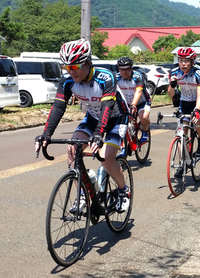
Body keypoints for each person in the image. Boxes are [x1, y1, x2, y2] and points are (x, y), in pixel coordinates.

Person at [35, 38, 131, 213]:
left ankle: (124, 190)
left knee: (107, 158)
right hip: (94, 117)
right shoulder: (67, 81)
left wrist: (98, 135)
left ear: (87, 62)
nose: (71, 71)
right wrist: (46, 134)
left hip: (116, 118)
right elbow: (58, 106)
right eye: (66, 67)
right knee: (72, 149)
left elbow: (107, 107)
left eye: (74, 66)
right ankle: (82, 191)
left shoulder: (105, 77)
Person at [168, 47, 200, 176]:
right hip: (184, 102)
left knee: (196, 120)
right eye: (181, 60)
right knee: (181, 133)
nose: (183, 63)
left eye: (186, 61)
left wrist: (197, 109)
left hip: (198, 100)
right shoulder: (175, 73)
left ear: (192, 62)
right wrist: (172, 85)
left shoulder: (198, 73)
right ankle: (181, 164)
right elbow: (171, 94)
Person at [115, 56, 151, 143]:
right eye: (121, 69)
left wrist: (134, 104)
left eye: (127, 69)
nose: (124, 72)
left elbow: (138, 91)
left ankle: (145, 132)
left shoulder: (138, 76)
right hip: (126, 103)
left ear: (131, 68)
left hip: (142, 102)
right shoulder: (116, 78)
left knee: (143, 117)